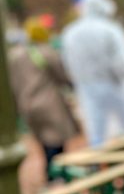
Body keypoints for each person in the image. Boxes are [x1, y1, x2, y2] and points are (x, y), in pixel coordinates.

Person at [61, 0, 124, 147]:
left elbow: (67, 63)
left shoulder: (70, 33)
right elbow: (121, 61)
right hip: (114, 84)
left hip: (86, 86)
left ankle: (99, 157)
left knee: (96, 130)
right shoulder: (110, 29)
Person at [8, 18, 79, 181]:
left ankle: (51, 174)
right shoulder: (46, 52)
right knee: (56, 142)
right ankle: (57, 176)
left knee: (43, 142)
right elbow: (62, 76)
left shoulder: (15, 56)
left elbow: (13, 84)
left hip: (27, 105)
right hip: (49, 103)